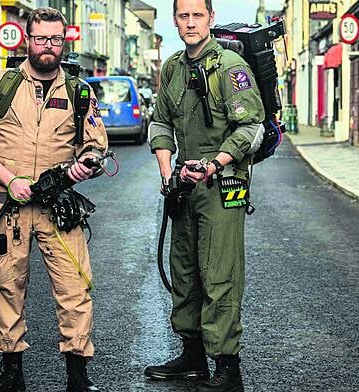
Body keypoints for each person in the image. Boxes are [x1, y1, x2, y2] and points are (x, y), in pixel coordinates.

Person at [0, 7, 107, 392]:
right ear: (28, 39)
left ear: (64, 41)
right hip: (9, 210)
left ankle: (78, 377)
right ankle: (11, 375)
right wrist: (9, 180)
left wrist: (84, 166)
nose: (48, 47)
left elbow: (95, 146)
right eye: (41, 38)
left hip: (59, 207)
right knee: (7, 287)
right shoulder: (0, 84)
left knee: (75, 288)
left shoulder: (78, 91)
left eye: (56, 39)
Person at [144, 0, 265, 391]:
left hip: (221, 185)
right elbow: (161, 121)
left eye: (198, 15)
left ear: (210, 19)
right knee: (184, 271)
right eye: (183, 15)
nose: (190, 22)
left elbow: (251, 128)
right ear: (175, 20)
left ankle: (228, 368)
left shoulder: (230, 67)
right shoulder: (173, 68)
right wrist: (168, 171)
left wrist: (213, 164)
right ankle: (192, 356)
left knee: (219, 274)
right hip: (184, 186)